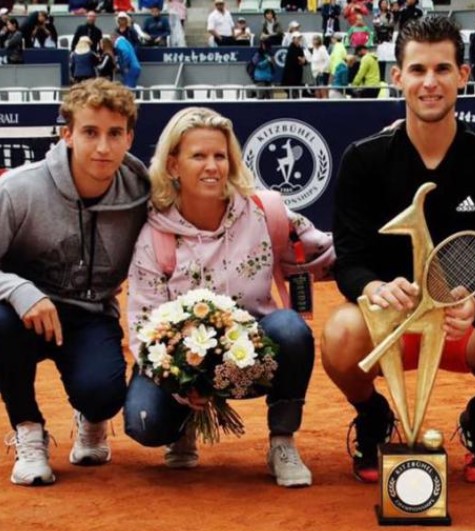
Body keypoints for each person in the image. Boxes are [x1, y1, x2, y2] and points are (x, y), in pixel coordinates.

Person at [322, 16, 475, 484]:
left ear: (463, 76)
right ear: (397, 76)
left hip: (461, 326)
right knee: (341, 333)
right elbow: (349, 259)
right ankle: (374, 417)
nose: (430, 82)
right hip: (392, 325)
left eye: (443, 69)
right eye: (418, 69)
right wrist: (374, 287)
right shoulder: (363, 159)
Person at [124, 107, 333, 487]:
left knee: (289, 328)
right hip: (183, 361)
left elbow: (322, 251)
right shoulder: (153, 234)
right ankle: (181, 425)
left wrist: (374, 270)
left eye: (220, 156)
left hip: (249, 357)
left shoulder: (263, 211)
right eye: (198, 156)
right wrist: (179, 383)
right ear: (173, 165)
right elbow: (141, 324)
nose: (212, 166)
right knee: (145, 423)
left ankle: (282, 442)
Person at [0, 79, 149, 486]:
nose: (102, 147)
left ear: (129, 137)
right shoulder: (17, 189)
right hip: (21, 315)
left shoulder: (144, 193)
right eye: (89, 132)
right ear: (66, 134)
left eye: (114, 133)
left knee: (104, 393)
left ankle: (92, 416)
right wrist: (20, 290)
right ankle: (28, 430)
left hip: (89, 315)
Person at [282, 32, 307, 99]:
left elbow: (303, 59)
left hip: (297, 75)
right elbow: (296, 58)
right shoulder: (291, 49)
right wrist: (300, 59)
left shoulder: (299, 48)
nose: (299, 40)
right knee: (291, 93)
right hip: (291, 76)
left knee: (296, 93)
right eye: (297, 38)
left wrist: (303, 60)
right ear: (293, 39)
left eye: (299, 38)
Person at [310, 34, 330, 99]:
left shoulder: (322, 50)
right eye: (313, 40)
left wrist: (321, 70)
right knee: (317, 91)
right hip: (316, 74)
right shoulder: (314, 50)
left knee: (323, 90)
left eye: (315, 40)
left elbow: (328, 60)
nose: (314, 41)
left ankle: (326, 105)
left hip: (322, 73)